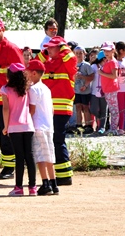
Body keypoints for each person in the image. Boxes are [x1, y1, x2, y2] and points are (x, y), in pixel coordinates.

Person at [0, 18, 24, 180]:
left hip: (3, 100)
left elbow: (20, 73)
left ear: (3, 30)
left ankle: (9, 167)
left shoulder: (11, 49)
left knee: (5, 133)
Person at [38, 36, 76, 185]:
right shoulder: (48, 63)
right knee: (54, 141)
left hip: (62, 107)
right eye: (47, 47)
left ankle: (65, 175)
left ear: (60, 48)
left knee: (57, 140)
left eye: (52, 47)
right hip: (49, 108)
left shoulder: (68, 63)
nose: (48, 49)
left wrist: (62, 47)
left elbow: (71, 56)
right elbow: (35, 64)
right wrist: (46, 52)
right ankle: (62, 174)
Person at [0, 63, 36, 196]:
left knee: (19, 157)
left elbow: (6, 108)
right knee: (30, 156)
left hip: (14, 126)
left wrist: (5, 126)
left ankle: (19, 187)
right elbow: (31, 108)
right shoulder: (27, 88)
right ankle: (32, 187)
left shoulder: (5, 89)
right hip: (28, 125)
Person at [27, 59, 58, 196]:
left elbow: (32, 109)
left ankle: (45, 183)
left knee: (40, 156)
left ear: (34, 73)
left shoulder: (33, 89)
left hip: (38, 125)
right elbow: (51, 109)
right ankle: (54, 183)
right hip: (48, 125)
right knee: (49, 155)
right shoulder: (46, 88)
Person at [97, 41, 121, 135]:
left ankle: (114, 129)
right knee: (112, 109)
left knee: (114, 110)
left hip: (111, 88)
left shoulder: (112, 62)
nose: (106, 52)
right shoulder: (109, 61)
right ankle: (113, 128)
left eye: (108, 50)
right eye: (104, 50)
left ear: (113, 50)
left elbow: (114, 76)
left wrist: (101, 73)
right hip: (107, 89)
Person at [73, 46, 94, 133]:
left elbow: (92, 76)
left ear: (84, 54)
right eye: (76, 53)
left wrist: (84, 83)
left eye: (80, 53)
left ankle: (88, 125)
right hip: (76, 90)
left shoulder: (87, 65)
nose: (78, 55)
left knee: (85, 107)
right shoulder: (72, 64)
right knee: (77, 107)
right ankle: (79, 125)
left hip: (85, 90)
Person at [90, 50, 108, 134]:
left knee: (104, 109)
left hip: (104, 92)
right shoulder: (93, 66)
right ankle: (99, 119)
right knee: (93, 109)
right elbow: (90, 76)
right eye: (105, 58)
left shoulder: (107, 66)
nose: (107, 60)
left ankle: (101, 127)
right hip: (94, 91)